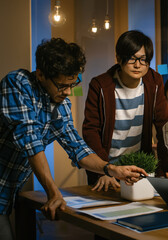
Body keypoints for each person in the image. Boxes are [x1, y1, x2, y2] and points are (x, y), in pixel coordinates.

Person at [0, 38, 146, 240]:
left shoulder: (61, 105)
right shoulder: (17, 83)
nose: (68, 92)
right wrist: (53, 192)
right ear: (41, 74)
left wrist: (110, 169)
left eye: (73, 83)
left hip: (9, 190)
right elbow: (30, 140)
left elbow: (77, 148)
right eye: (62, 85)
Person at [83, 30, 168, 191]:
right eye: (132, 58)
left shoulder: (155, 82)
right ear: (118, 58)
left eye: (143, 60)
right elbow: (90, 131)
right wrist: (104, 169)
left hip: (139, 169)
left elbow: (163, 127)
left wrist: (165, 169)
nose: (138, 65)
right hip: (106, 170)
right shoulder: (100, 85)